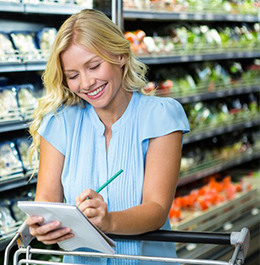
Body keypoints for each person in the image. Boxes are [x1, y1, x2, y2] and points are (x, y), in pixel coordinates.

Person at [25, 9, 190, 265]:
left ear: (120, 55)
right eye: (73, 75)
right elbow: (46, 200)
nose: (87, 82)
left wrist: (108, 220)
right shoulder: (59, 123)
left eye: (94, 66)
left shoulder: (160, 116)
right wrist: (43, 227)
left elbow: (156, 209)